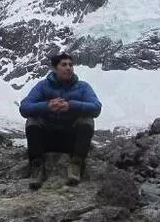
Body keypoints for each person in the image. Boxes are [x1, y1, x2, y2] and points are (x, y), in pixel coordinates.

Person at [19, 53, 102, 189]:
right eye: (64, 65)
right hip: (47, 140)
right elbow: (24, 108)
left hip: (71, 141)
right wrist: (47, 106)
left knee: (87, 120)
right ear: (55, 68)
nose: (68, 68)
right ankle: (37, 166)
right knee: (32, 120)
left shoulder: (83, 87)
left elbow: (96, 107)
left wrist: (71, 105)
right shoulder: (43, 86)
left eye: (70, 65)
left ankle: (76, 163)